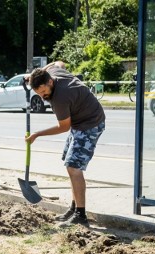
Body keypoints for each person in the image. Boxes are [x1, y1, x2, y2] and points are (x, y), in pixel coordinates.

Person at [27, 61, 106, 226]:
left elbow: (63, 126)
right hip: (80, 121)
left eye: (43, 92)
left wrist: (37, 134)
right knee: (70, 165)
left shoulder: (60, 98)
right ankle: (75, 207)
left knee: (74, 167)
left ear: (50, 82)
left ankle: (81, 216)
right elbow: (58, 63)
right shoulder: (53, 73)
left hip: (90, 124)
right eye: (38, 93)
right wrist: (32, 76)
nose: (42, 96)